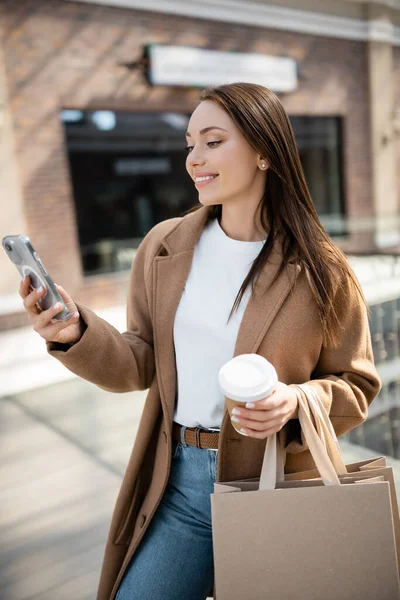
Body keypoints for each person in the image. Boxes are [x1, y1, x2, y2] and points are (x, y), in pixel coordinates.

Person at [19, 82, 381, 600]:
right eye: (190, 143)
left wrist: (295, 400)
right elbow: (138, 362)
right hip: (178, 483)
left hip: (276, 486)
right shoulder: (164, 245)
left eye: (213, 141)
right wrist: (75, 331)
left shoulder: (323, 269)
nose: (194, 158)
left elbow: (357, 384)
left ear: (263, 151)